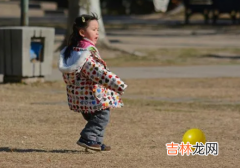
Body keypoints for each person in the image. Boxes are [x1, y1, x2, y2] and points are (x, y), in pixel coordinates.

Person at [58, 13, 127, 152]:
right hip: (93, 97)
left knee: (99, 118)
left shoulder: (73, 51)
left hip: (80, 98)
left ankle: (95, 142)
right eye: (94, 30)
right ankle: (87, 138)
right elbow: (98, 72)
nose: (97, 33)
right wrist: (117, 84)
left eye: (98, 30)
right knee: (102, 116)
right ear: (82, 32)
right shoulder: (86, 54)